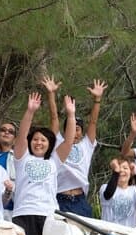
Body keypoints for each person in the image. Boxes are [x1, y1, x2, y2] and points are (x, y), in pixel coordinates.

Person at [13, 92, 77, 235]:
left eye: (43, 140)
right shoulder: (22, 158)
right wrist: (30, 111)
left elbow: (69, 141)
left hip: (48, 214)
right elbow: (21, 135)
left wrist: (71, 115)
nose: (39, 142)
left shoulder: (54, 161)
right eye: (35, 139)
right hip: (24, 214)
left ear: (49, 144)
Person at [43, 75, 106, 217]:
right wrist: (51, 94)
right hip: (60, 199)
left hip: (80, 200)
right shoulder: (59, 143)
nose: (75, 132)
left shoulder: (86, 145)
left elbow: (93, 122)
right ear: (66, 130)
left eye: (78, 129)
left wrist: (97, 100)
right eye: (73, 128)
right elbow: (54, 117)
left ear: (82, 132)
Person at [99, 157, 136, 228]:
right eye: (119, 168)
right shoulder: (104, 187)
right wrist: (116, 171)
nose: (121, 170)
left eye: (125, 168)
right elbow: (108, 194)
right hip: (108, 234)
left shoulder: (134, 190)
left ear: (130, 173)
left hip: (128, 234)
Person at [0, 119, 17, 218]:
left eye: (11, 132)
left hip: (10, 210)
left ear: (15, 139)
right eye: (3, 130)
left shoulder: (18, 158)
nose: (6, 132)